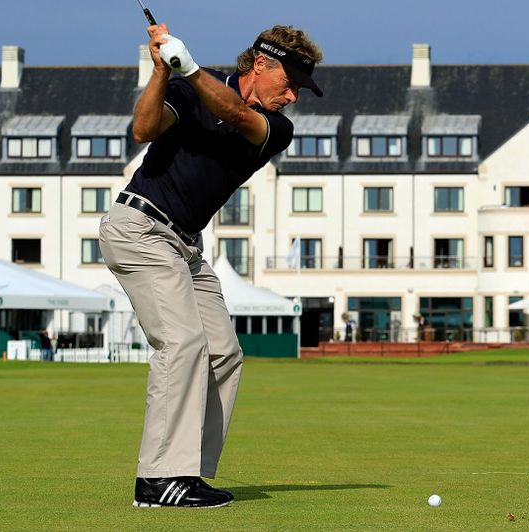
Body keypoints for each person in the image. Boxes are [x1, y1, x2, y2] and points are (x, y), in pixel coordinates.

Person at [98, 22, 323, 508]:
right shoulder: (186, 85)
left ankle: (190, 473)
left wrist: (190, 67)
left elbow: (238, 114)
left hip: (185, 247)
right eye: (290, 84)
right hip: (138, 229)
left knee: (223, 353)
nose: (293, 98)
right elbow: (142, 128)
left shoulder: (275, 129)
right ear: (261, 65)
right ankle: (158, 479)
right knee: (182, 343)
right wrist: (162, 70)